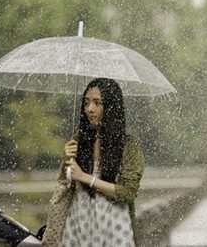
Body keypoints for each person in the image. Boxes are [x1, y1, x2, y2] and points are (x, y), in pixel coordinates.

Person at [42, 78, 145, 247]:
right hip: (79, 223)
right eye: (87, 103)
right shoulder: (78, 140)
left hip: (113, 227)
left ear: (111, 107)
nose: (90, 109)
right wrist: (66, 159)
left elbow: (128, 192)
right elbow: (66, 181)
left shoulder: (128, 146)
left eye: (98, 103)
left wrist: (85, 177)